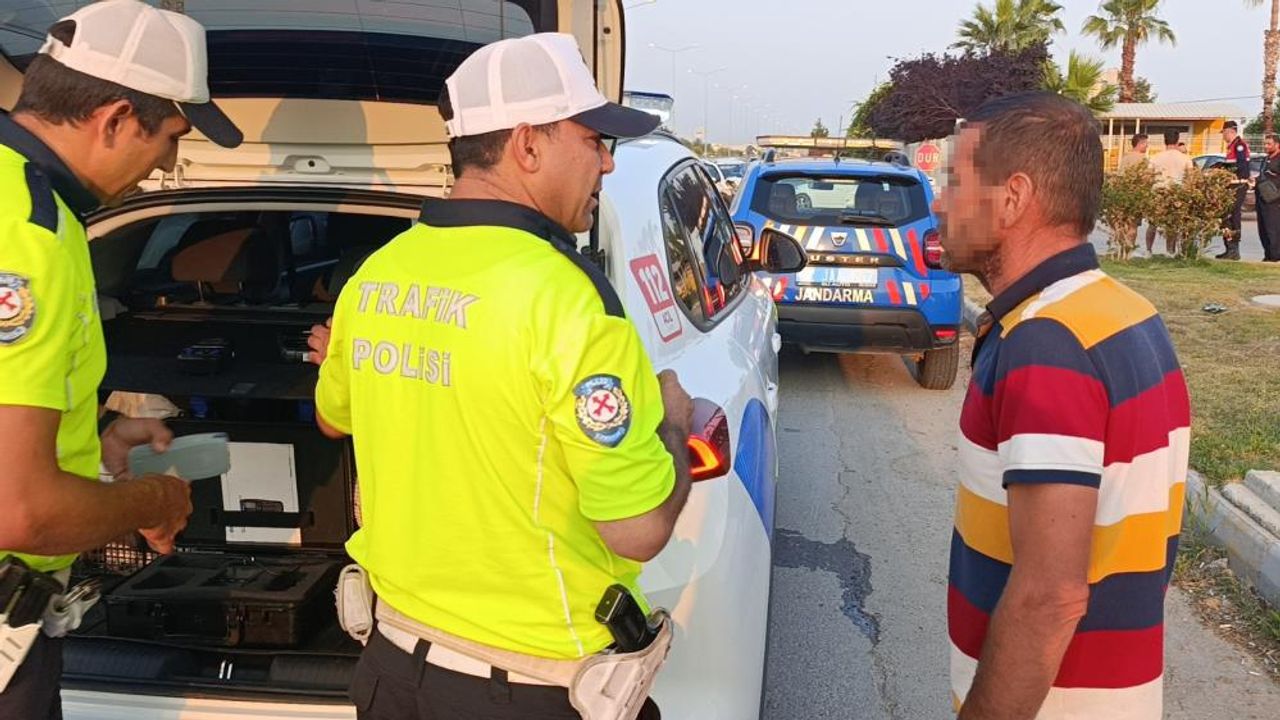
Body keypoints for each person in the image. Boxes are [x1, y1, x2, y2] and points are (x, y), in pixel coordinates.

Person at [308, 33, 692, 719]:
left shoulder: (375, 276)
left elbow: (333, 418)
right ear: (528, 145)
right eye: (594, 140)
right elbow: (636, 531)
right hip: (529, 686)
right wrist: (675, 430)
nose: (607, 162)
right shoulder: (569, 298)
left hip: (392, 669)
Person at [0, 1, 242, 716]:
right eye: (170, 137)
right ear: (114, 119)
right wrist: (154, 499)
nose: (167, 163)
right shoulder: (32, 236)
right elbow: (21, 512)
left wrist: (94, 441)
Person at [934, 93, 1190, 720]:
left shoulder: (1046, 342)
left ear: (1013, 198)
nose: (939, 203)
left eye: (955, 182)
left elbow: (1049, 596)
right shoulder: (1125, 312)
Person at [1145, 130, 1195, 255]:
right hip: (1176, 193)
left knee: (1153, 224)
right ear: (1177, 141)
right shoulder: (1185, 158)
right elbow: (1191, 178)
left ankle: (1148, 250)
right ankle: (1170, 251)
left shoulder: (1155, 157)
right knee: (1172, 224)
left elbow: (1148, 176)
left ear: (1164, 141)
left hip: (1158, 191)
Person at [1217, 120, 1251, 260]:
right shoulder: (1231, 146)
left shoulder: (1239, 145)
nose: (1223, 136)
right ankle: (1229, 247)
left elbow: (1241, 166)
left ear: (1229, 131)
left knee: (1232, 216)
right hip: (1231, 185)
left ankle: (1234, 249)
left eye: (1224, 133)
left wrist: (1224, 169)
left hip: (1238, 185)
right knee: (1226, 216)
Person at [1256, 133, 1280, 262]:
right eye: (1265, 144)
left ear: (1277, 145)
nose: (1266, 146)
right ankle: (1268, 254)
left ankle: (1275, 255)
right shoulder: (1266, 159)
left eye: (1269, 144)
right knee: (1263, 228)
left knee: (1273, 228)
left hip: (1274, 199)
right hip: (1262, 197)